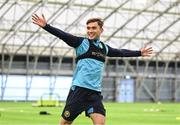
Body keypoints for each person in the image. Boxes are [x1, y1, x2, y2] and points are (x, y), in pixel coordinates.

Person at [32, 14, 153, 125]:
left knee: (100, 123)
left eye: (93, 28)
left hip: (94, 93)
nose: (90, 31)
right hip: (79, 91)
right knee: (64, 124)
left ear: (101, 30)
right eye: (88, 28)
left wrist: (139, 53)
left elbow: (121, 52)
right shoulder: (81, 43)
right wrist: (46, 26)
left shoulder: (104, 48)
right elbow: (63, 35)